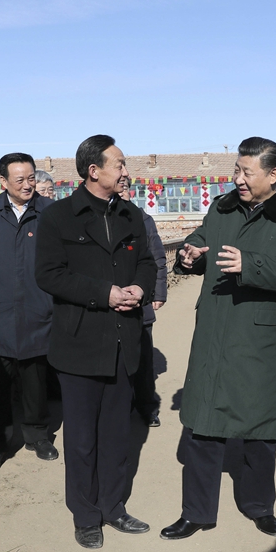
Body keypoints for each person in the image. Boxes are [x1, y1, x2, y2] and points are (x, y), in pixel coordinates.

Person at [160, 137, 276, 540]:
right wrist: (191, 256)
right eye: (237, 170)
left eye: (247, 172)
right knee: (204, 425)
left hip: (261, 337)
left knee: (260, 429)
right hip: (216, 327)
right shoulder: (222, 207)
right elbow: (201, 240)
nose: (238, 179)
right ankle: (196, 512)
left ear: (273, 175)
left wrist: (251, 264)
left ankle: (259, 506)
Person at [35, 135, 156, 550]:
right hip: (79, 343)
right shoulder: (58, 217)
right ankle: (86, 516)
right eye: (119, 165)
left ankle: (113, 506)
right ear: (93, 171)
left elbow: (146, 262)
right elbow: (49, 274)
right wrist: (104, 293)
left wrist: (140, 287)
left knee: (117, 434)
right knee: (82, 439)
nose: (126, 172)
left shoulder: (131, 214)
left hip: (124, 340)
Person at [0, 153, 57, 473]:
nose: (28, 185)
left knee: (35, 380)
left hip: (37, 308)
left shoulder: (49, 212)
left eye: (31, 178)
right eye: (20, 180)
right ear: (3, 182)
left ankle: (37, 435)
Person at [119, 180, 167, 427]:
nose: (122, 192)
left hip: (141, 301)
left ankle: (147, 406)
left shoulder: (144, 219)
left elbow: (158, 257)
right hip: (111, 301)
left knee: (144, 359)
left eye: (125, 187)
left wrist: (158, 293)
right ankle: (121, 406)